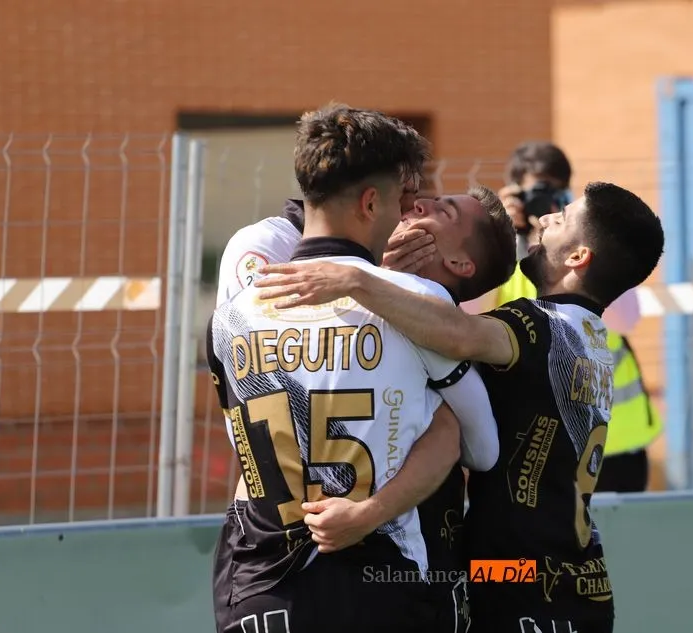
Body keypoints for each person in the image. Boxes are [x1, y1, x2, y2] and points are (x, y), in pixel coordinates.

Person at [255, 181, 666, 633]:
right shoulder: (591, 338)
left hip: (523, 582)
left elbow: (456, 334)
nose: (547, 217)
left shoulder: (540, 326)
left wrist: (354, 278)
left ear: (578, 257)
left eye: (563, 217)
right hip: (573, 578)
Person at [207, 103, 505, 633]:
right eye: (402, 199)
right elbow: (481, 447)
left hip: (260, 575)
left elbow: (243, 433)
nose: (409, 210)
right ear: (371, 202)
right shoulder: (417, 303)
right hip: (380, 576)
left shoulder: (232, 312)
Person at [471, 140, 664, 494]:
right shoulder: (508, 255)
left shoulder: (588, 243)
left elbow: (626, 317)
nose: (546, 210)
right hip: (533, 447)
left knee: (608, 529)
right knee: (543, 528)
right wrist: (501, 235)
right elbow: (465, 315)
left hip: (613, 441)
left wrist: (584, 241)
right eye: (536, 193)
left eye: (557, 194)